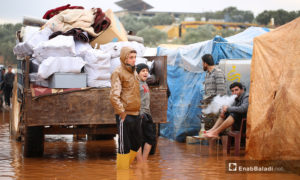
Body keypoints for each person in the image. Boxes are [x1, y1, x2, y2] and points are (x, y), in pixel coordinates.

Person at [110, 47, 143, 169]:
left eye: (135, 57)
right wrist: (121, 112)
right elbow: (114, 96)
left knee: (137, 142)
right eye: (131, 57)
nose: (134, 60)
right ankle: (123, 173)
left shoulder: (134, 72)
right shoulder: (118, 72)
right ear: (124, 59)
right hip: (125, 115)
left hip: (135, 113)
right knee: (124, 146)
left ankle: (125, 168)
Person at [136, 63, 156, 161]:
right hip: (140, 114)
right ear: (137, 73)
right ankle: (140, 162)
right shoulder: (135, 84)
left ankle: (144, 160)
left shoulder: (145, 83)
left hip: (147, 114)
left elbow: (154, 78)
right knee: (139, 138)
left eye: (147, 71)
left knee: (151, 138)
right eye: (143, 71)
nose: (146, 73)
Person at [201, 54, 226, 130]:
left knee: (219, 130)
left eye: (202, 63)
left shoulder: (218, 72)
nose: (202, 65)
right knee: (209, 128)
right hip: (209, 105)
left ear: (205, 63)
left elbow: (221, 92)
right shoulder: (208, 73)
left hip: (216, 106)